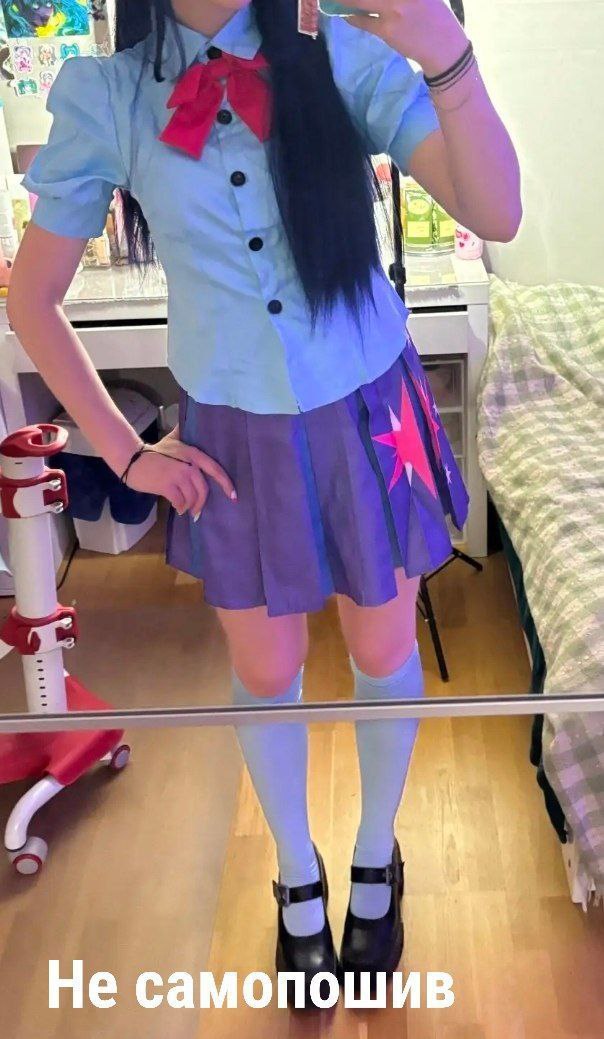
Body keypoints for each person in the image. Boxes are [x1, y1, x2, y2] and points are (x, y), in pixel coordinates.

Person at [7, 0, 521, 1006]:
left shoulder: (345, 50)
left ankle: (376, 852)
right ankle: (295, 872)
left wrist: (446, 52)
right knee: (266, 668)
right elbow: (32, 300)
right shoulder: (111, 96)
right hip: (233, 436)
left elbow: (496, 214)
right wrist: (125, 450)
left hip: (368, 409)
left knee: (383, 648)